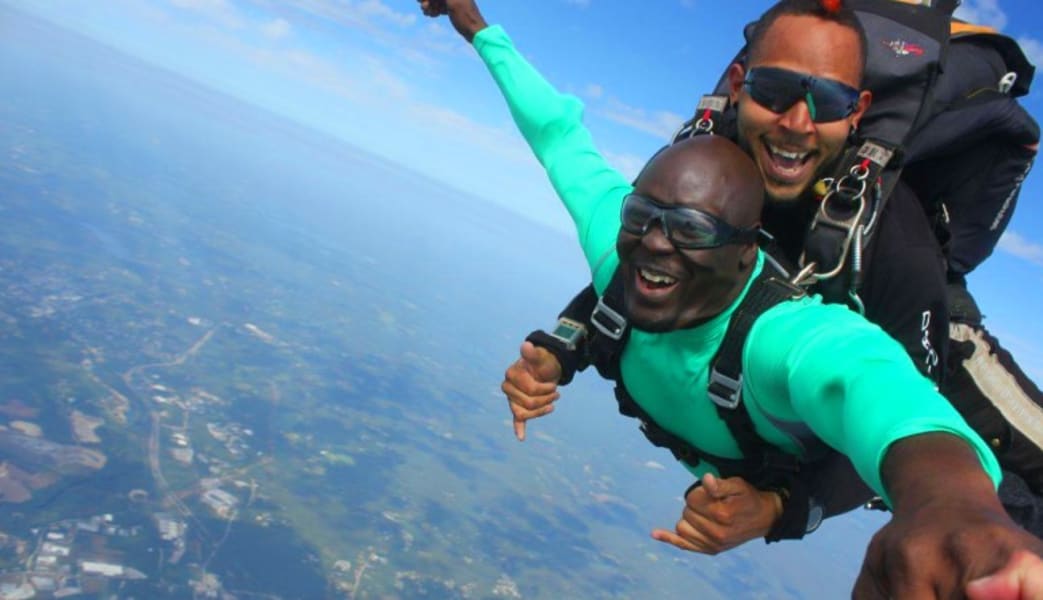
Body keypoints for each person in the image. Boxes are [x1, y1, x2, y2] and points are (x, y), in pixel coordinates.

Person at [417, 0, 1043, 596]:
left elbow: (876, 383)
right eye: (773, 92)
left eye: (826, 101)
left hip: (919, 330)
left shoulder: (881, 249)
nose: (796, 122)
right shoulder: (695, 167)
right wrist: (568, 342)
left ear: (857, 111)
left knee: (1013, 505)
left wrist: (941, 505)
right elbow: (575, 164)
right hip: (763, 382)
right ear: (741, 84)